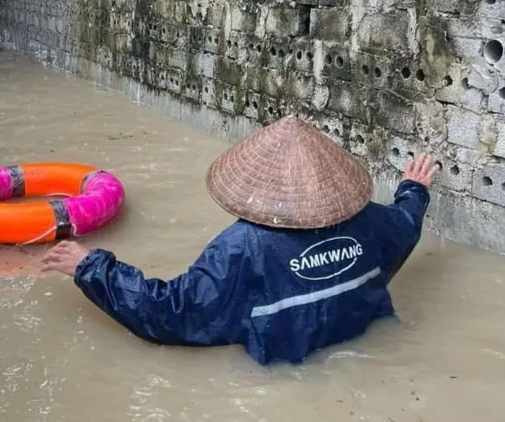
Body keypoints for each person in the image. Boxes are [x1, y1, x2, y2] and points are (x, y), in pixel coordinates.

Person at [41, 115, 440, 365]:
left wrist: (89, 266)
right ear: (331, 181)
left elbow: (169, 314)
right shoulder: (371, 221)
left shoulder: (243, 247)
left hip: (287, 377)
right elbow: (406, 225)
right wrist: (414, 189)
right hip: (371, 353)